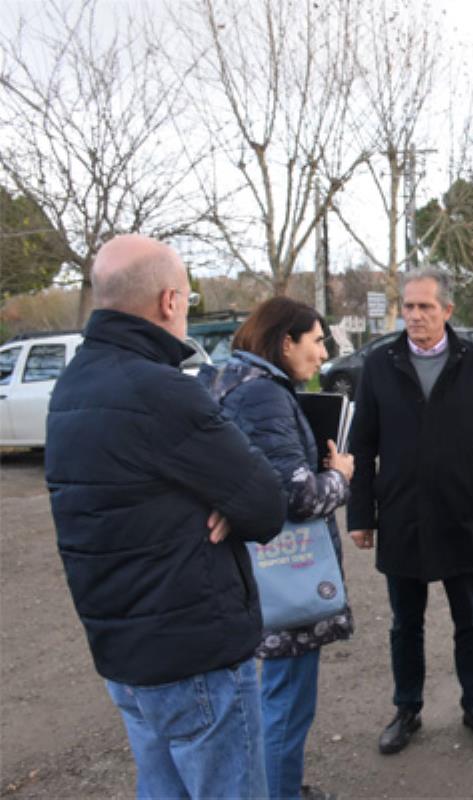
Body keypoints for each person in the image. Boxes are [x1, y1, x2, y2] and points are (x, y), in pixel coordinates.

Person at [45, 235, 286, 798]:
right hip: (193, 655)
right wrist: (222, 500)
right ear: (170, 301)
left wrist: (215, 499)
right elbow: (266, 504)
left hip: (125, 655)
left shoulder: (72, 385)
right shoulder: (161, 391)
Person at [347, 267, 473, 754]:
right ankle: (407, 710)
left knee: (471, 620)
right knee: (405, 623)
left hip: (457, 513)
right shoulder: (380, 364)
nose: (415, 315)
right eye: (409, 306)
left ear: (447, 310)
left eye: (425, 306)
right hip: (401, 514)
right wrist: (362, 514)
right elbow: (363, 442)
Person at [198, 297, 355, 800]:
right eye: (316, 341)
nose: (322, 352)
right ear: (285, 342)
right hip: (286, 576)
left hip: (261, 571)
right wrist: (339, 475)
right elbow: (299, 496)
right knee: (286, 702)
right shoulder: (263, 395)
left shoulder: (234, 382)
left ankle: (279, 787)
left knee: (277, 699)